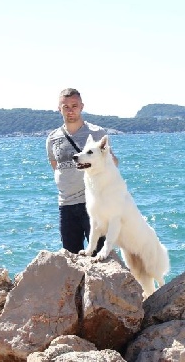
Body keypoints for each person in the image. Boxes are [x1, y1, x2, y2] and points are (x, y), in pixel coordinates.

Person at [46, 88, 118, 254]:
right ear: (59, 109)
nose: (71, 110)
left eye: (74, 105)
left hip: (94, 203)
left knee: (101, 257)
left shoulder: (96, 133)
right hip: (66, 205)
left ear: (82, 106)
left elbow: (112, 162)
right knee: (71, 260)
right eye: (66, 107)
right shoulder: (53, 137)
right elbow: (55, 165)